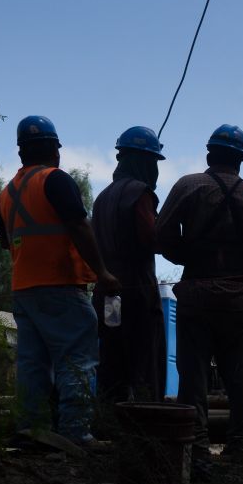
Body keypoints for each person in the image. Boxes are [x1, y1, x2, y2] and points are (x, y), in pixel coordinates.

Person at [0, 114, 118, 446]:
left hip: (24, 289)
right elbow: (79, 226)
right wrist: (103, 273)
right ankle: (77, 433)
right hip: (61, 285)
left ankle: (31, 431)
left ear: (21, 152)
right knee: (77, 358)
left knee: (33, 364)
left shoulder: (6, 193)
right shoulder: (56, 179)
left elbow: (7, 241)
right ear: (54, 149)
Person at [155, 123, 243, 475]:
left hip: (197, 294)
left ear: (209, 153)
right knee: (240, 376)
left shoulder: (189, 186)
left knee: (193, 376)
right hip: (239, 298)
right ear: (242, 160)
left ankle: (197, 449)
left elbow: (161, 235)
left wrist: (186, 255)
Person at [91, 125, 167, 406]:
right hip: (137, 293)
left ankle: (109, 424)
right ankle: (147, 430)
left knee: (112, 362)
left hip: (106, 294)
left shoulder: (102, 198)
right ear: (146, 162)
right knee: (145, 363)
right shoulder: (140, 193)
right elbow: (152, 239)